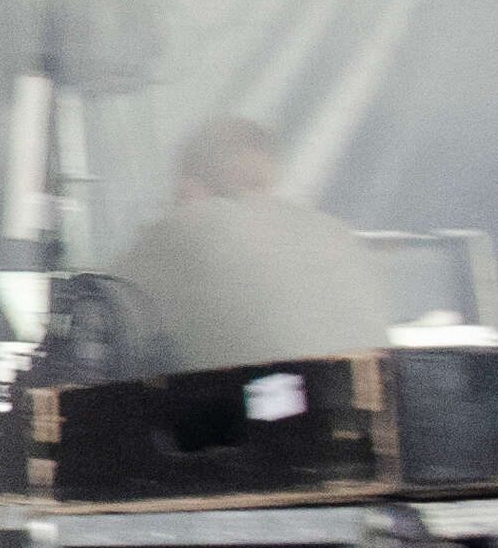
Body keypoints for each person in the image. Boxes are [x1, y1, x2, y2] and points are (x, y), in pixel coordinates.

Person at [106, 116, 396, 372]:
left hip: (260, 410)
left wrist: (181, 213)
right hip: (373, 402)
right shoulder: (335, 232)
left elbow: (98, 298)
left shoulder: (187, 226)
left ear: (189, 183)